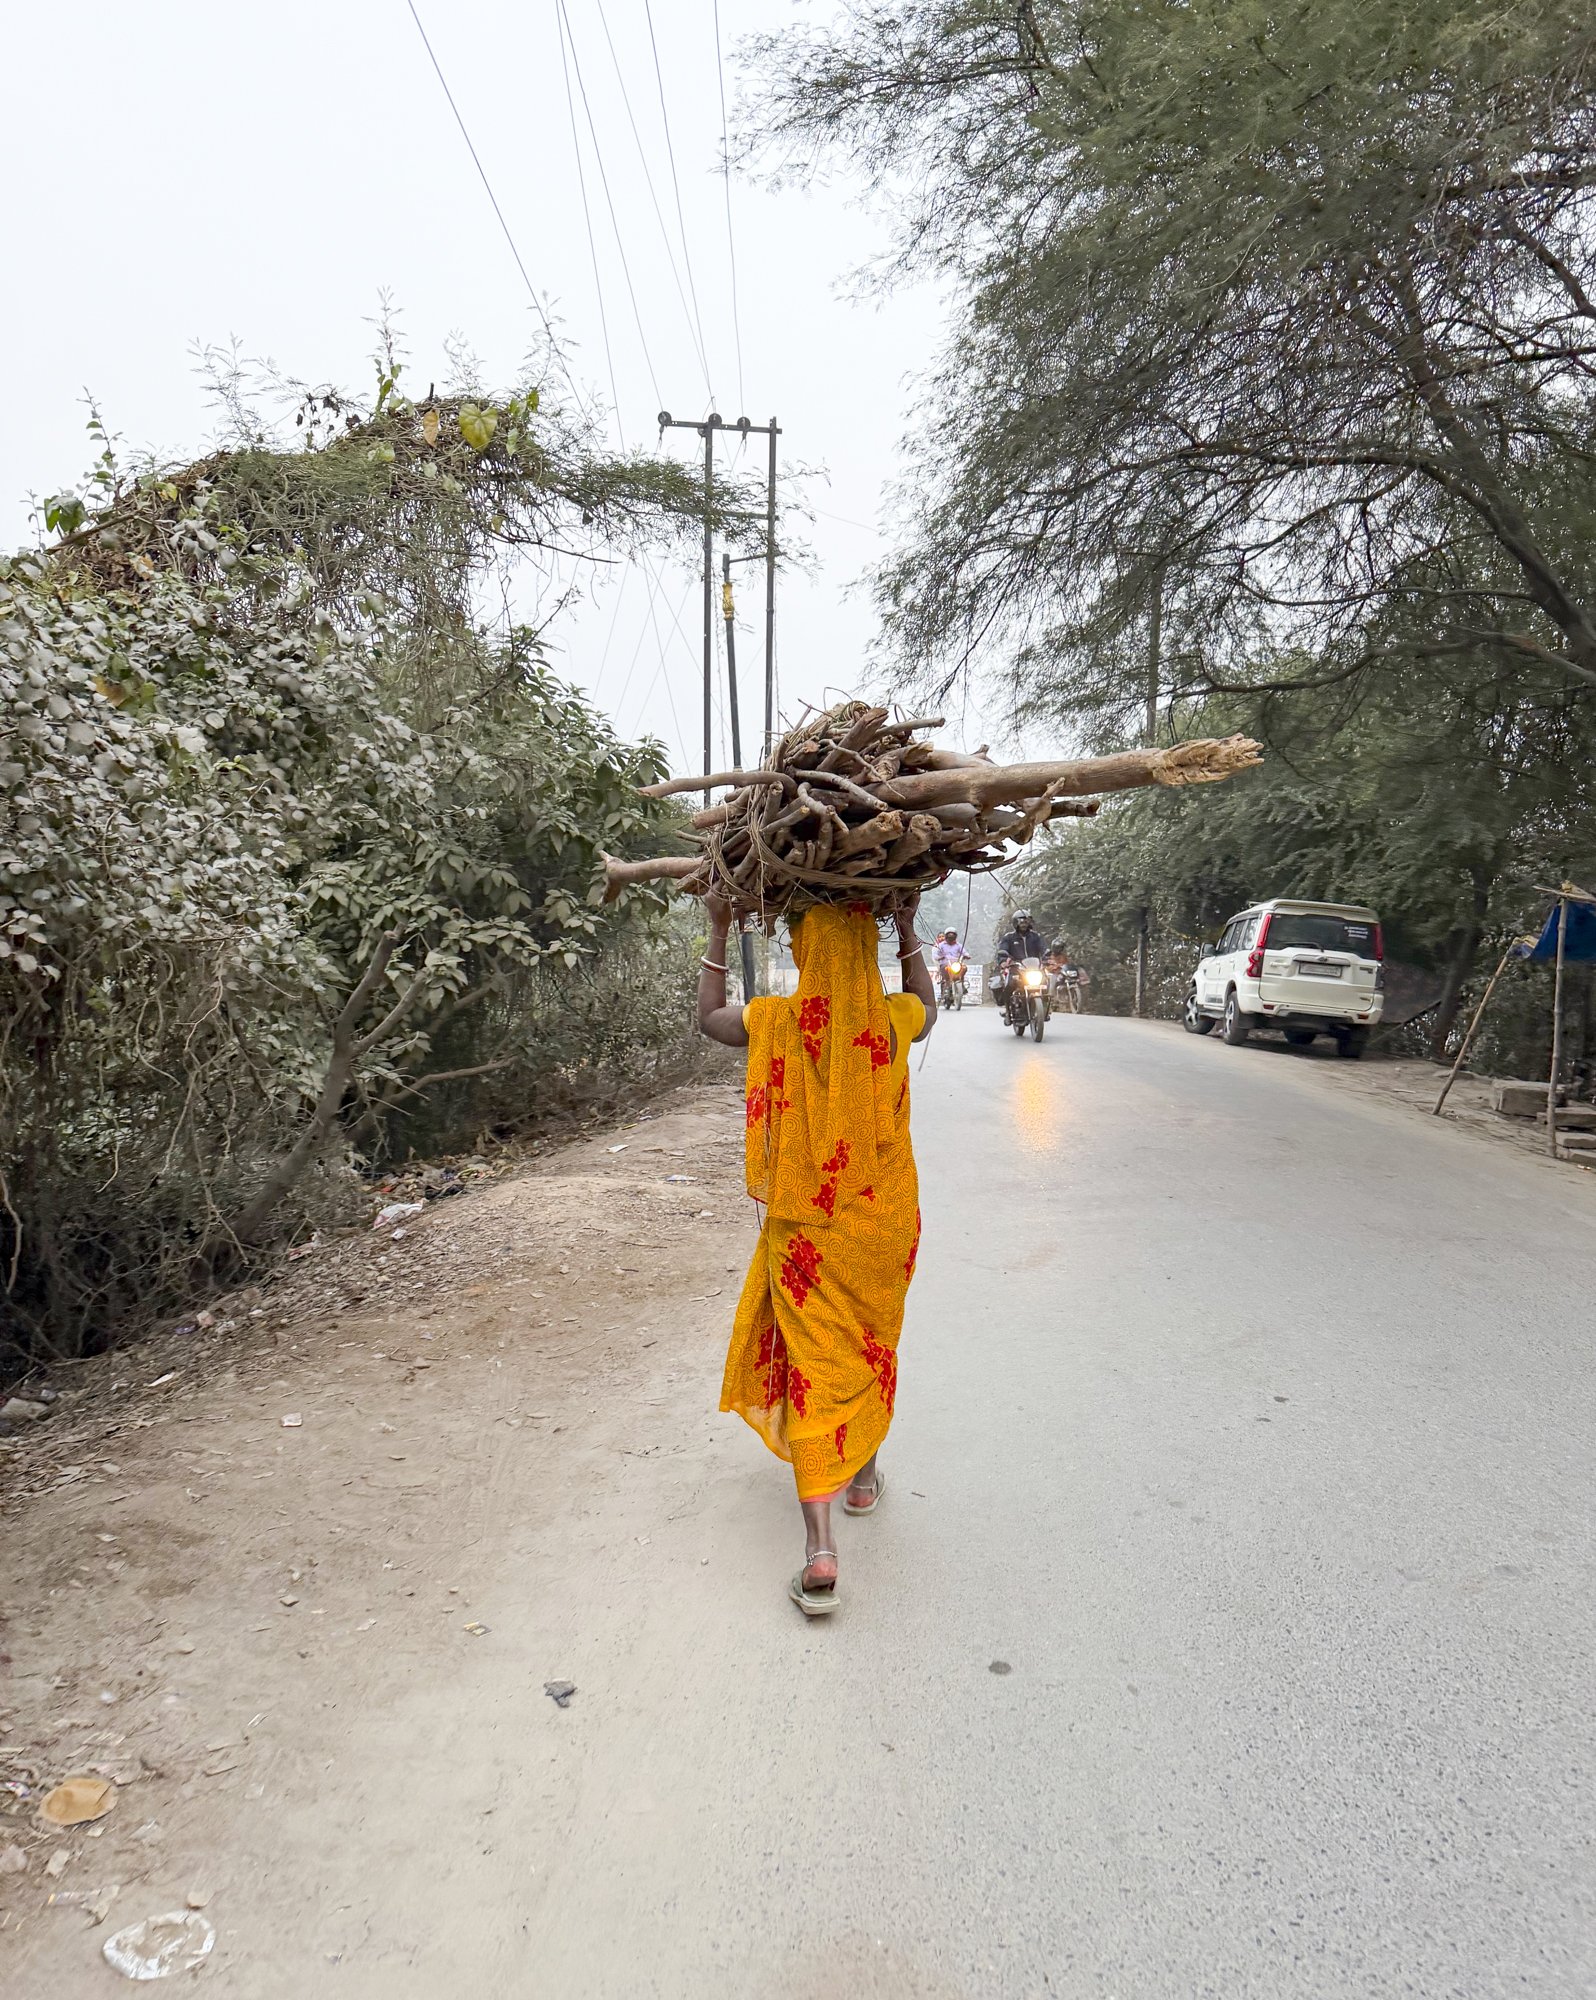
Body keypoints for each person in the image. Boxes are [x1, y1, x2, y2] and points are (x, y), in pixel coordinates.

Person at [697, 891, 935, 1616]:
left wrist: (718, 927)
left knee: (815, 1364)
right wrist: (908, 926)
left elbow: (709, 1018)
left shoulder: (775, 1022)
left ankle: (820, 1549)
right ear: (864, 952)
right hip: (883, 1224)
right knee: (868, 1345)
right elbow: (929, 1005)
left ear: (803, 953)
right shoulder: (893, 1020)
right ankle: (861, 1479)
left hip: (807, 1227)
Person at [991, 909, 1047, 1012]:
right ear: (1015, 923)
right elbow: (1003, 950)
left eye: (1026, 921)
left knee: (1046, 982)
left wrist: (1047, 957)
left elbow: (1043, 948)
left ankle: (1045, 1008)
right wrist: (1003, 960)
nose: (1024, 924)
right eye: (1021, 922)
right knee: (1009, 985)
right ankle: (1008, 1010)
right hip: (1016, 968)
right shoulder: (1009, 937)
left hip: (1034, 968)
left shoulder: (1036, 936)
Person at [932, 928, 966, 1004]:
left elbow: (964, 952)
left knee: (964, 967)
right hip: (945, 964)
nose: (951, 936)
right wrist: (939, 958)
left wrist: (966, 955)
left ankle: (962, 983)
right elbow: (935, 955)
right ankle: (946, 988)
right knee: (945, 971)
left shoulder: (958, 945)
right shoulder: (940, 946)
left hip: (955, 964)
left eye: (953, 935)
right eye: (949, 935)